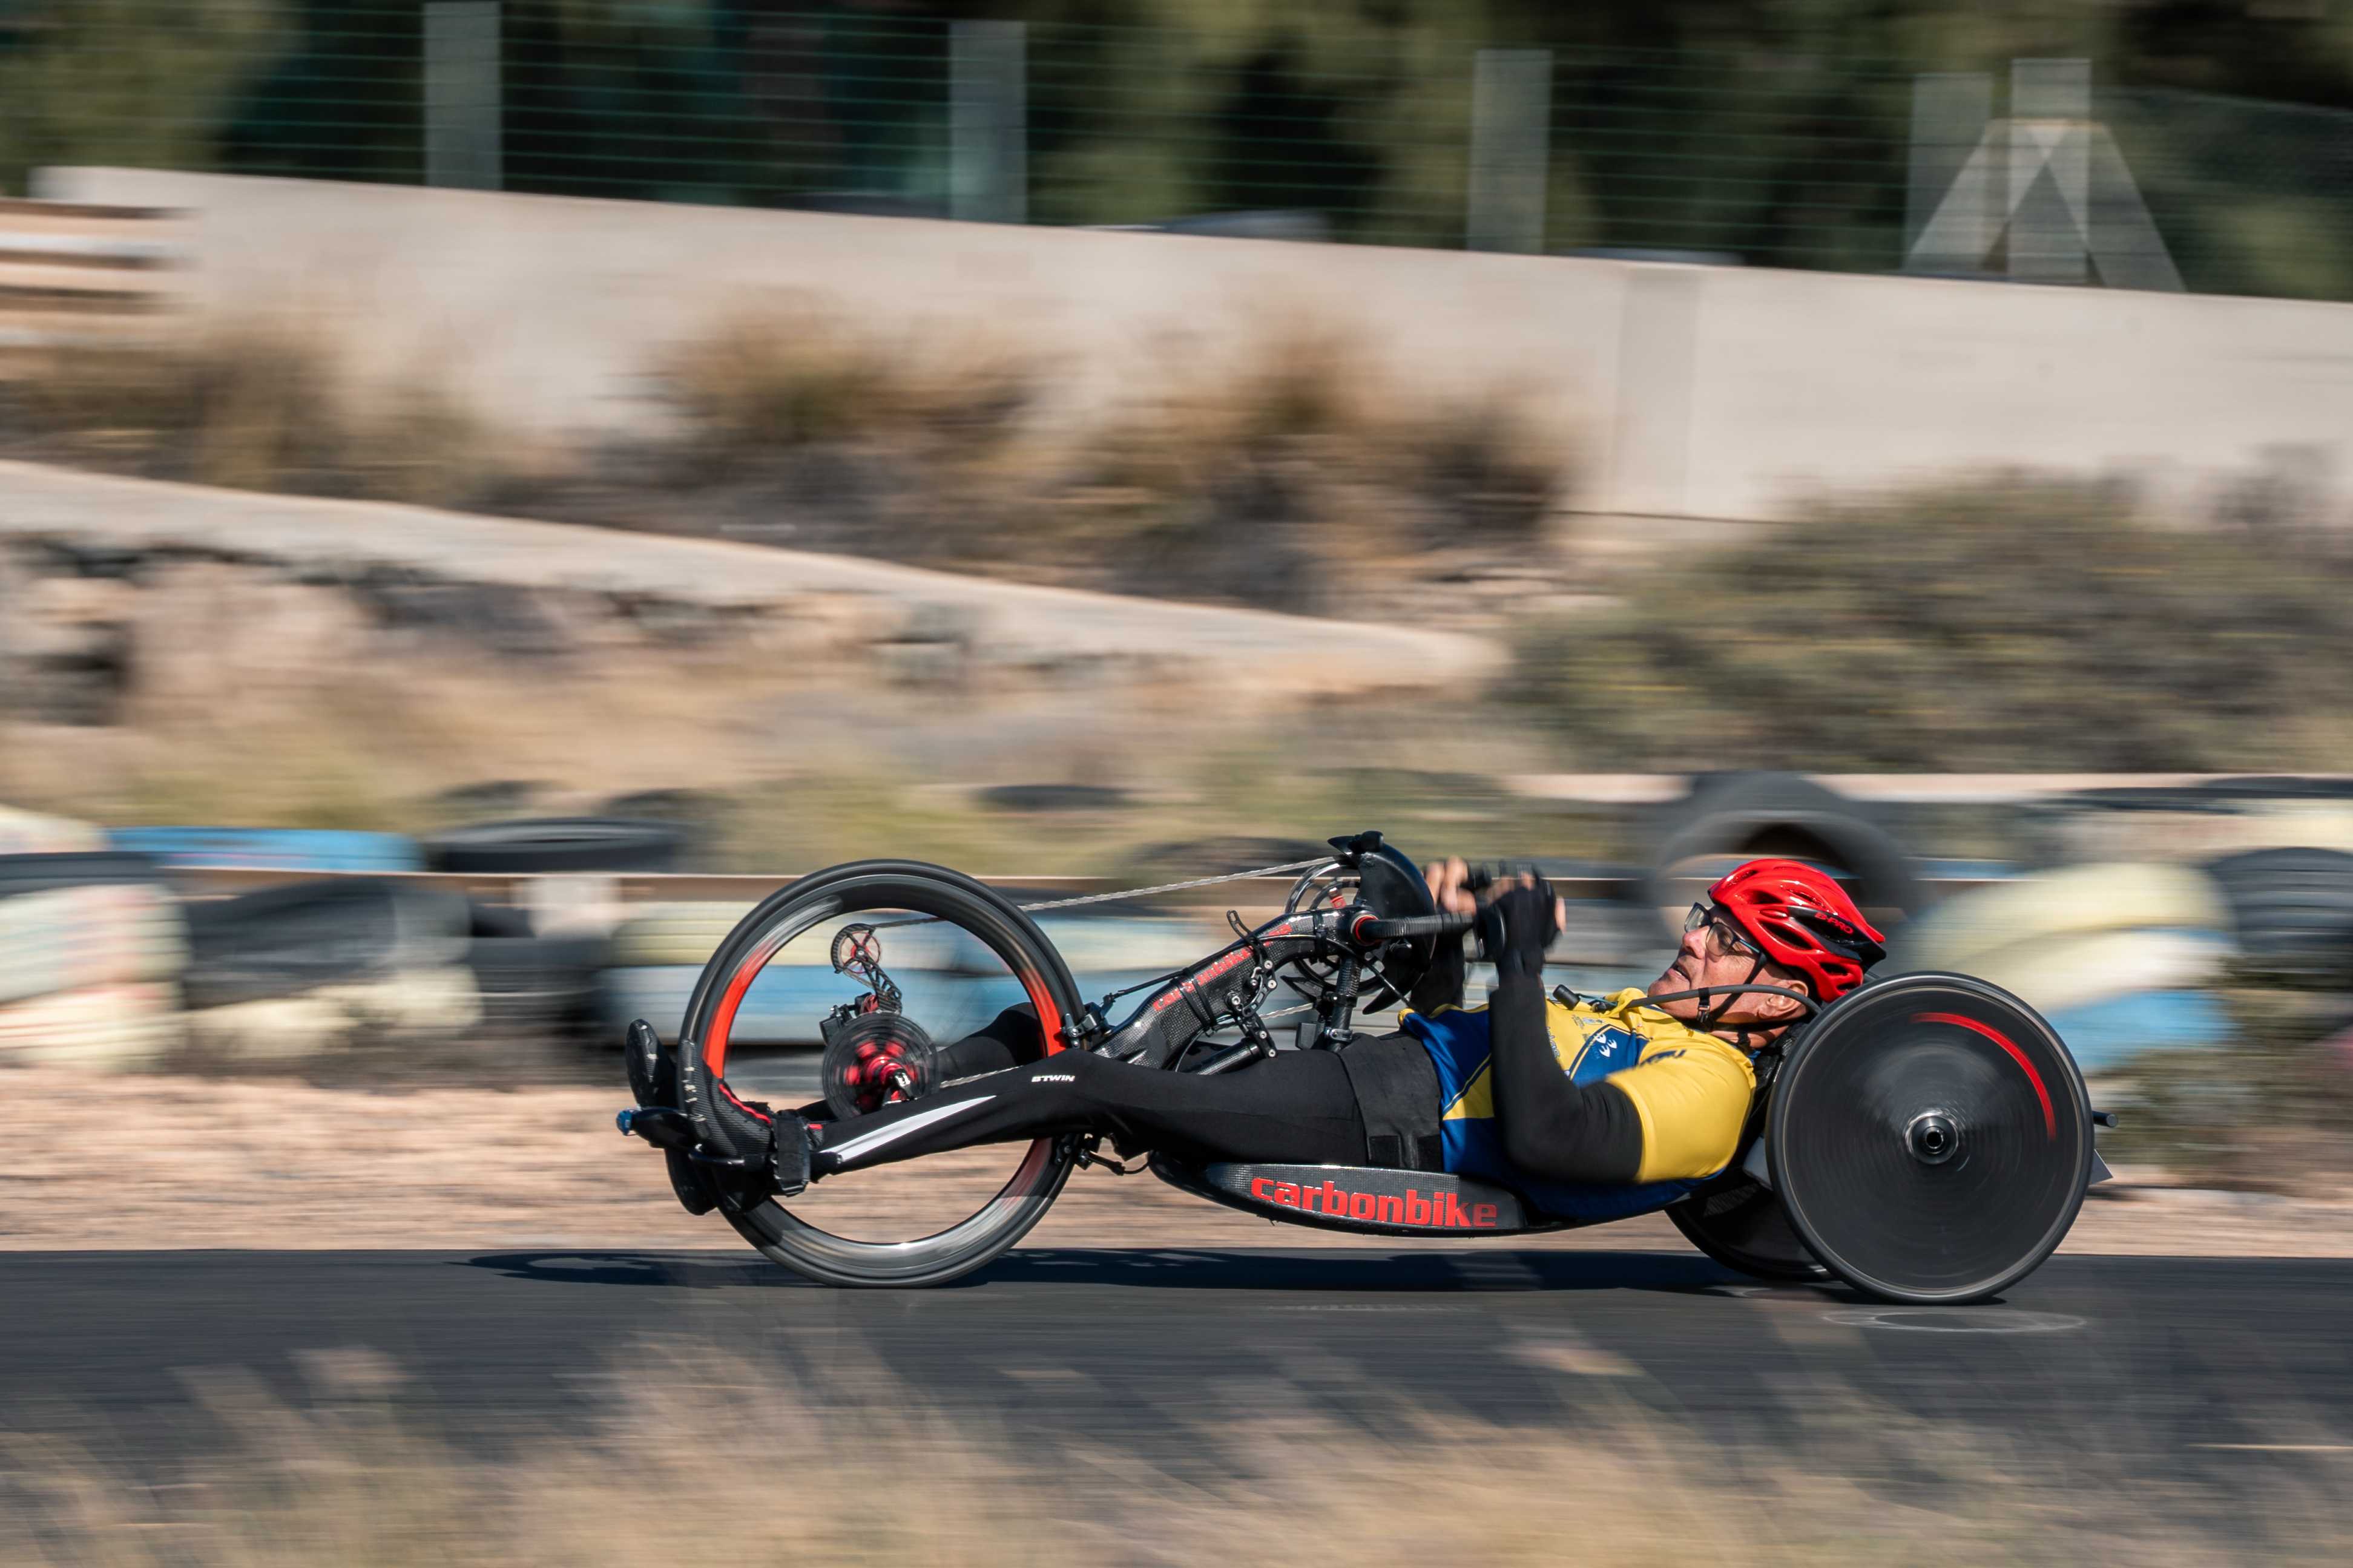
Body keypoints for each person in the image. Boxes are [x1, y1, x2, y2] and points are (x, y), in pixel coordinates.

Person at [735, 856, 1887, 1209]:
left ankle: (799, 1154)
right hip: (1375, 1074)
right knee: (1058, 1029)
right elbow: (1468, 1040)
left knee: (1086, 1083)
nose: (1692, 941)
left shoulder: (1708, 1090)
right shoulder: (1647, 1016)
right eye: (1704, 919)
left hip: (1379, 1124)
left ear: (1781, 996)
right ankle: (798, 1111)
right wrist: (1447, 930)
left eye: (1726, 940)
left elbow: (1544, 1137)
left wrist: (1524, 961)